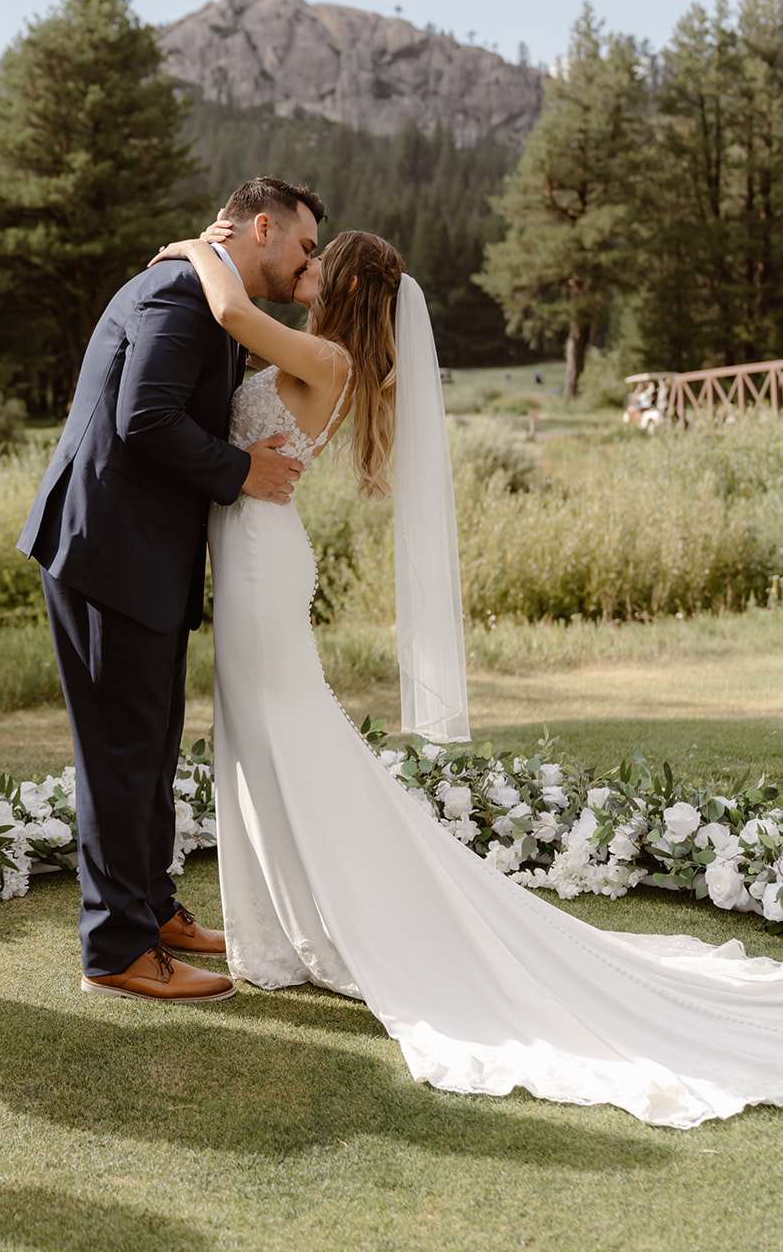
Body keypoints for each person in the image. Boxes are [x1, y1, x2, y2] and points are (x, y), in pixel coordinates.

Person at [149, 223, 783, 1128]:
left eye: (320, 261)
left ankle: (313, 930)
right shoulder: (342, 361)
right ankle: (279, 937)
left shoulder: (323, 357)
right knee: (260, 742)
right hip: (257, 555)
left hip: (260, 564)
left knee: (285, 739)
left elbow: (227, 306)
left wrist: (189, 245)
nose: (307, 266)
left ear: (347, 288)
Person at [18, 177, 325, 1002]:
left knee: (148, 748)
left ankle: (151, 911)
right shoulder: (177, 290)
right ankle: (116, 951)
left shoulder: (207, 288)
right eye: (302, 246)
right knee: (121, 754)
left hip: (142, 557)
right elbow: (143, 416)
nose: (308, 263)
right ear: (262, 227)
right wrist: (241, 471)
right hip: (106, 552)